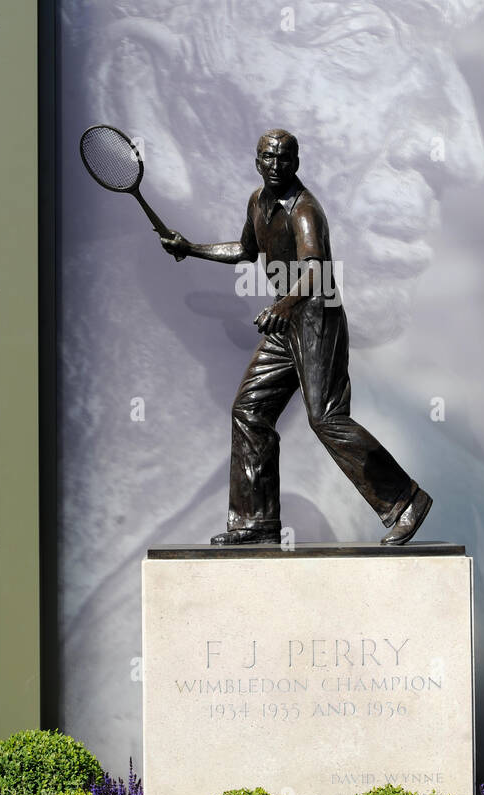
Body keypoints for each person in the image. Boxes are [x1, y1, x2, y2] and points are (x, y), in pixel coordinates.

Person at [160, 128, 432, 545]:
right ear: (256, 161)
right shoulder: (258, 202)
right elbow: (245, 251)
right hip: (287, 321)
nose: (274, 165)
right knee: (249, 409)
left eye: (283, 159)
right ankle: (255, 522)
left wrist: (282, 307)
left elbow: (315, 268)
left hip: (317, 318)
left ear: (296, 163)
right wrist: (190, 246)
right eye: (267, 158)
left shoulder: (305, 210)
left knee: (325, 418)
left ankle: (405, 500)